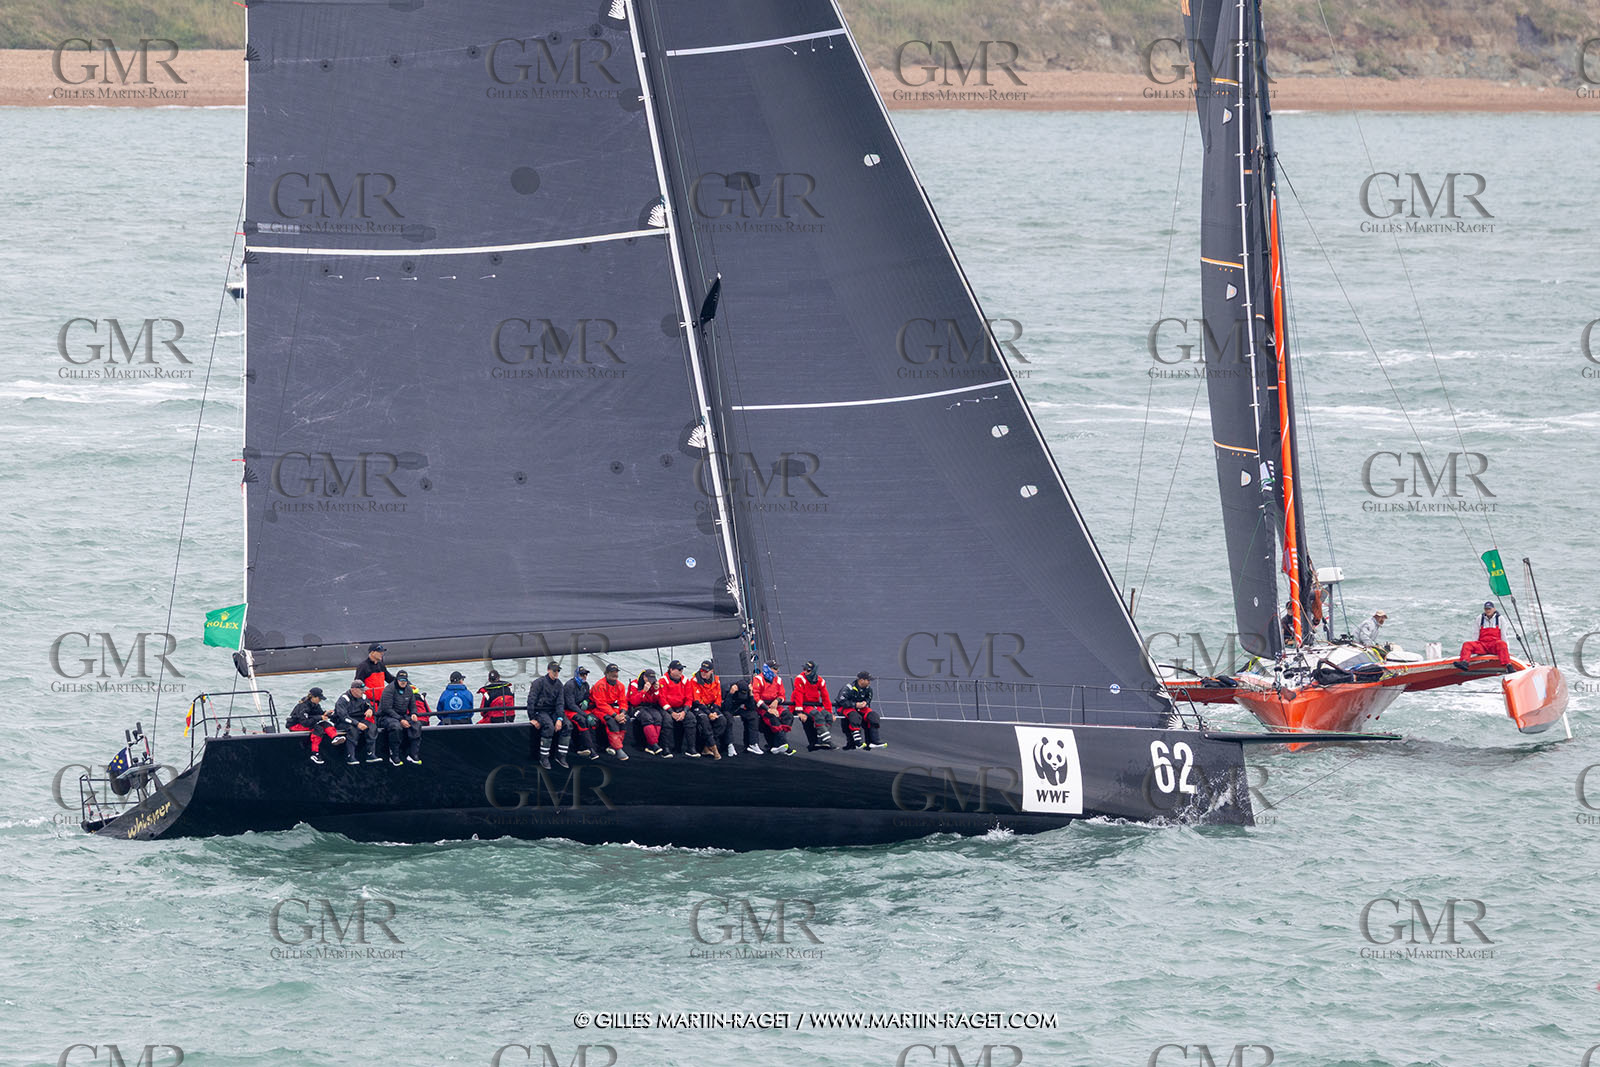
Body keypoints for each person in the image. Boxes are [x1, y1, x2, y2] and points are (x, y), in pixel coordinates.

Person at [527, 662, 570, 770]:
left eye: (558, 671)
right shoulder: (538, 682)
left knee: (568, 725)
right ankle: (544, 757)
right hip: (541, 711)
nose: (556, 673)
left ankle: (561, 756)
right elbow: (531, 700)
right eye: (554, 671)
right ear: (548, 670)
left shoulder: (559, 684)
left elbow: (560, 703)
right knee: (549, 727)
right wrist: (532, 718)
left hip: (553, 711)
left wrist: (560, 718)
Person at [377, 670, 423, 765]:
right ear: (397, 680)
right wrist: (400, 720)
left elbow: (412, 705)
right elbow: (386, 708)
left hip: (402, 715)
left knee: (417, 724)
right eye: (401, 680)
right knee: (396, 726)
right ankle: (394, 755)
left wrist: (414, 713)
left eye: (405, 680)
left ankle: (413, 754)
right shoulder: (389, 689)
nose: (403, 682)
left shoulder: (409, 689)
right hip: (385, 716)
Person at [657, 660, 701, 757]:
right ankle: (666, 748)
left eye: (682, 669)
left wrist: (684, 712)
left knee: (691, 719)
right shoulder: (663, 681)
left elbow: (689, 698)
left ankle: (691, 748)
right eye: (679, 670)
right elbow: (662, 699)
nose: (681, 672)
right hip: (667, 708)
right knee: (667, 720)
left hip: (681, 708)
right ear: (671, 670)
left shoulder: (685, 681)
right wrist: (671, 712)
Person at [287, 687, 343, 764]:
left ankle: (335, 737)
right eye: (319, 698)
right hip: (295, 725)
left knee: (325, 724)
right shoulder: (303, 706)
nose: (320, 700)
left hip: (308, 722)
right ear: (313, 697)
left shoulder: (316, 705)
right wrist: (319, 717)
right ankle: (315, 753)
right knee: (318, 729)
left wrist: (326, 714)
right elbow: (305, 722)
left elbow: (319, 714)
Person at [752, 660, 795, 755]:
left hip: (776, 706)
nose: (777, 670)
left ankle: (777, 745)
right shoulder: (758, 679)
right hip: (763, 708)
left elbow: (782, 695)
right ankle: (783, 744)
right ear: (768, 669)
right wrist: (768, 709)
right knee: (773, 719)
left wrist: (776, 701)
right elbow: (756, 697)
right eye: (775, 668)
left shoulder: (778, 680)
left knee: (788, 716)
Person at [834, 671, 885, 750]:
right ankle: (857, 742)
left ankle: (874, 741)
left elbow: (868, 698)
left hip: (860, 708)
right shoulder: (848, 688)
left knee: (873, 716)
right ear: (861, 680)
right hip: (844, 707)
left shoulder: (868, 689)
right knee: (855, 717)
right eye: (868, 680)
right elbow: (841, 701)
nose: (869, 682)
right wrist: (855, 705)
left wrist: (865, 702)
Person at [563, 666, 604, 761]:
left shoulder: (586, 685)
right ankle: (589, 749)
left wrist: (586, 701)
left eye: (586, 674)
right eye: (582, 674)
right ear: (577, 675)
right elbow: (570, 705)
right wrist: (585, 715)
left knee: (595, 720)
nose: (585, 676)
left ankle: (595, 746)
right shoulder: (570, 685)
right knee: (582, 720)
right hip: (569, 710)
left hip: (580, 709)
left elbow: (587, 697)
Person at [1456, 601, 1512, 671]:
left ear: (1494, 609)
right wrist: (1474, 647)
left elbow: (1504, 635)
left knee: (1502, 644)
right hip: (1482, 645)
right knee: (1467, 644)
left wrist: (1507, 651)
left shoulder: (1500, 619)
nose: (1488, 610)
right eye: (1486, 609)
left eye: (1489, 609)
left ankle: (1508, 665)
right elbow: (1476, 633)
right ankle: (1464, 662)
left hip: (1494, 646)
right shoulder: (1479, 618)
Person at [590, 663, 630, 760]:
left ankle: (614, 746)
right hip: (598, 708)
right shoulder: (599, 685)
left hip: (611, 707)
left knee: (625, 719)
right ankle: (618, 749)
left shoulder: (620, 685)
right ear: (606, 673)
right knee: (610, 721)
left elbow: (623, 701)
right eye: (612, 672)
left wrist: (622, 713)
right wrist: (615, 715)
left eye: (616, 672)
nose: (614, 674)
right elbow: (600, 704)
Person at [333, 680, 379, 764]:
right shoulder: (343, 699)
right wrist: (357, 724)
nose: (363, 691)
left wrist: (370, 710)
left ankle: (370, 754)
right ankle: (350, 756)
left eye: (364, 690)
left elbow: (369, 705)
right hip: (344, 721)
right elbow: (343, 716)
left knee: (372, 727)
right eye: (361, 690)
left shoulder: (363, 697)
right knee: (353, 730)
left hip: (359, 719)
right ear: (353, 689)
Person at [792, 661, 835, 750]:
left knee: (828, 717)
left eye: (808, 670)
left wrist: (830, 712)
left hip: (814, 705)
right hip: (804, 705)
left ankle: (821, 739)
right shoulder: (799, 679)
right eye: (804, 669)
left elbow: (825, 697)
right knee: (817, 716)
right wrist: (799, 712)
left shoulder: (820, 681)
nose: (805, 672)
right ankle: (827, 740)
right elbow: (798, 695)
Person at [629, 668, 668, 757]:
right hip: (638, 707)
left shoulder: (654, 684)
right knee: (647, 718)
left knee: (658, 718)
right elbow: (633, 701)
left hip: (650, 707)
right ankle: (654, 744)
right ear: (644, 678)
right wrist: (644, 691)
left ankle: (652, 745)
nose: (651, 681)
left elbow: (657, 700)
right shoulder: (635, 684)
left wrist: (656, 691)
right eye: (649, 679)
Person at [722, 677, 760, 757]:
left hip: (737, 708)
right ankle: (729, 744)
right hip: (726, 709)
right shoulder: (726, 688)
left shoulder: (747, 691)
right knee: (728, 718)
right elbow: (725, 708)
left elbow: (751, 708)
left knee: (753, 715)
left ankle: (752, 744)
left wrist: (751, 695)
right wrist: (730, 694)